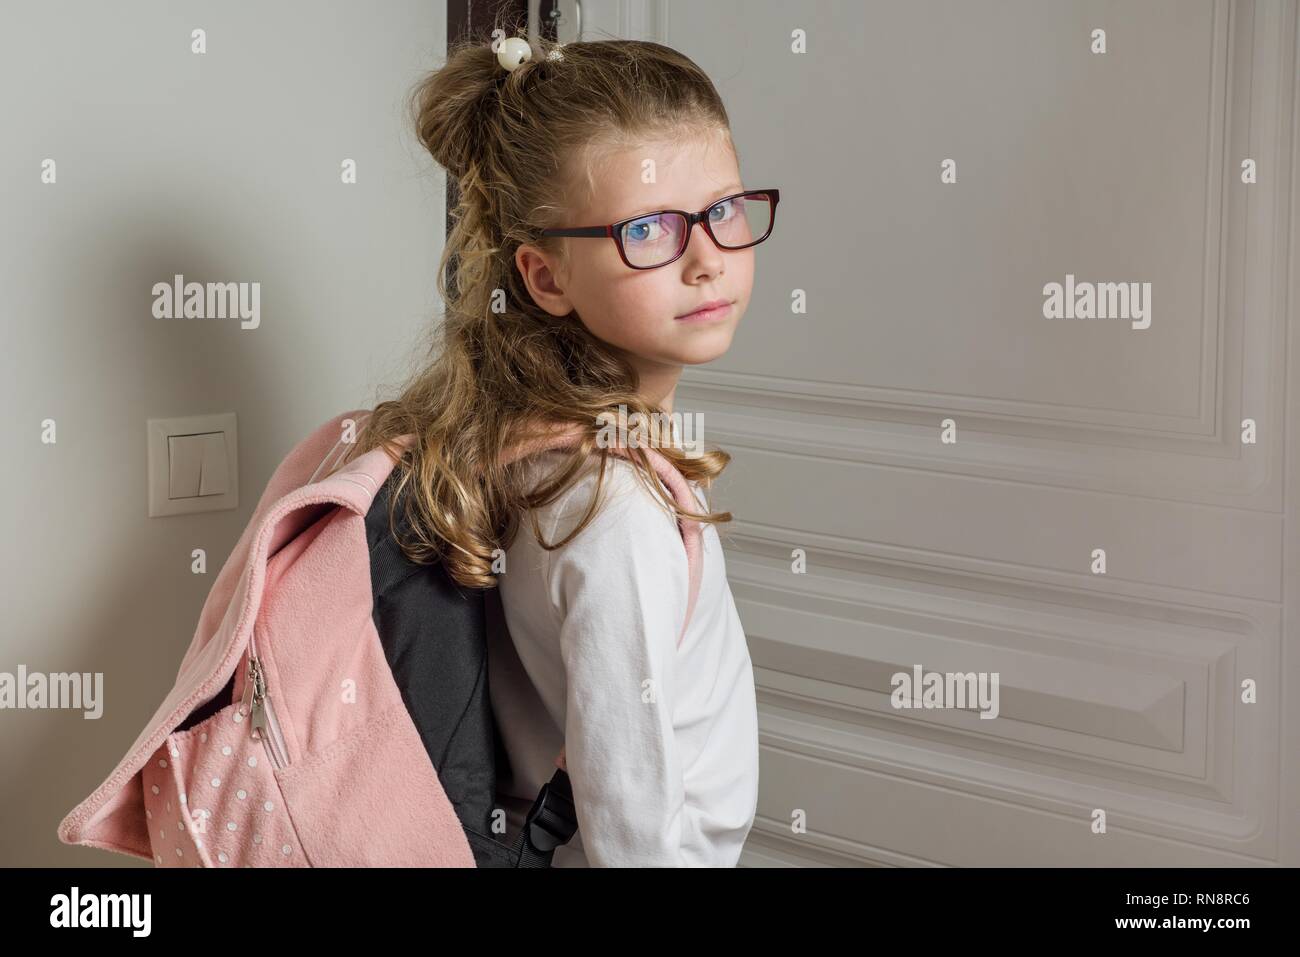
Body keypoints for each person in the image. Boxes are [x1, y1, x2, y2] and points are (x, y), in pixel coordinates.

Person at [349, 29, 779, 866]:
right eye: (649, 229)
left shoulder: (527, 440)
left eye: (722, 211)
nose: (705, 260)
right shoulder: (614, 511)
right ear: (545, 277)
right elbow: (629, 817)